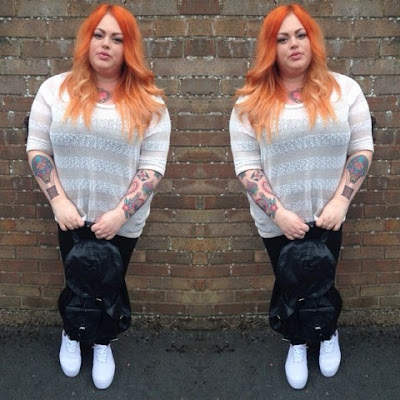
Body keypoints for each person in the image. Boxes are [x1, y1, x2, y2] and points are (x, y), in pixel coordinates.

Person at [229, 3, 373, 390]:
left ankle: (326, 333)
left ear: (312, 40)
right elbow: (247, 165)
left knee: (323, 279)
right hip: (276, 219)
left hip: (329, 214)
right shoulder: (250, 102)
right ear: (270, 48)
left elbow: (361, 148)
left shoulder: (345, 91)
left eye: (300, 35)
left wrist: (341, 201)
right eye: (282, 39)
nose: (293, 44)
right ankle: (296, 339)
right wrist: (278, 214)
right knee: (289, 281)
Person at [26, 4, 171, 390]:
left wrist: (120, 214)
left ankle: (103, 339)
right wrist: (59, 201)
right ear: (87, 40)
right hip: (70, 215)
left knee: (110, 281)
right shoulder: (55, 90)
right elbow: (38, 148)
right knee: (75, 279)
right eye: (99, 35)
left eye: (117, 39)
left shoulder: (150, 102)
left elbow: (152, 167)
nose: (106, 44)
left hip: (123, 220)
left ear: (129, 48)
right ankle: (73, 333)